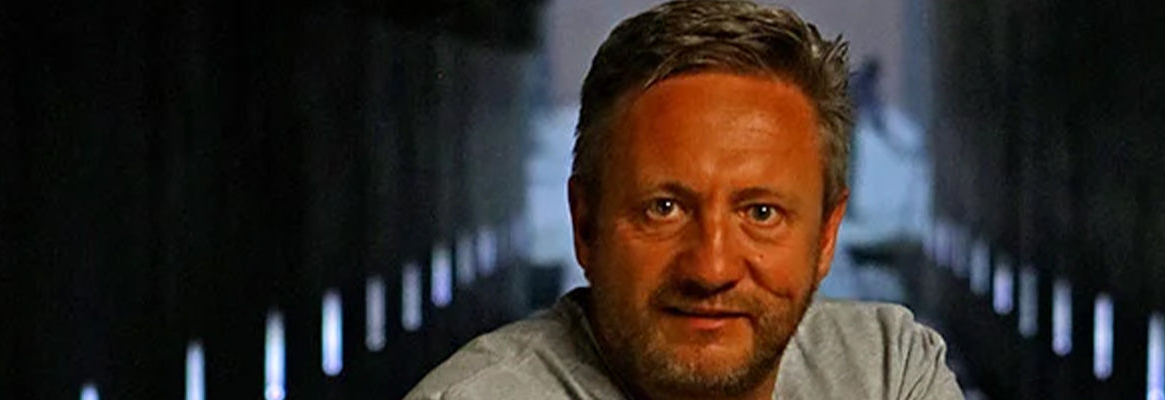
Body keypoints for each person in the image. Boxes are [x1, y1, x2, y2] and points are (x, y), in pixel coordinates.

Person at [404, 1, 963, 399]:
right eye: (663, 209)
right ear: (585, 225)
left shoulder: (890, 371)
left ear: (825, 238)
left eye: (760, 213)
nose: (712, 268)